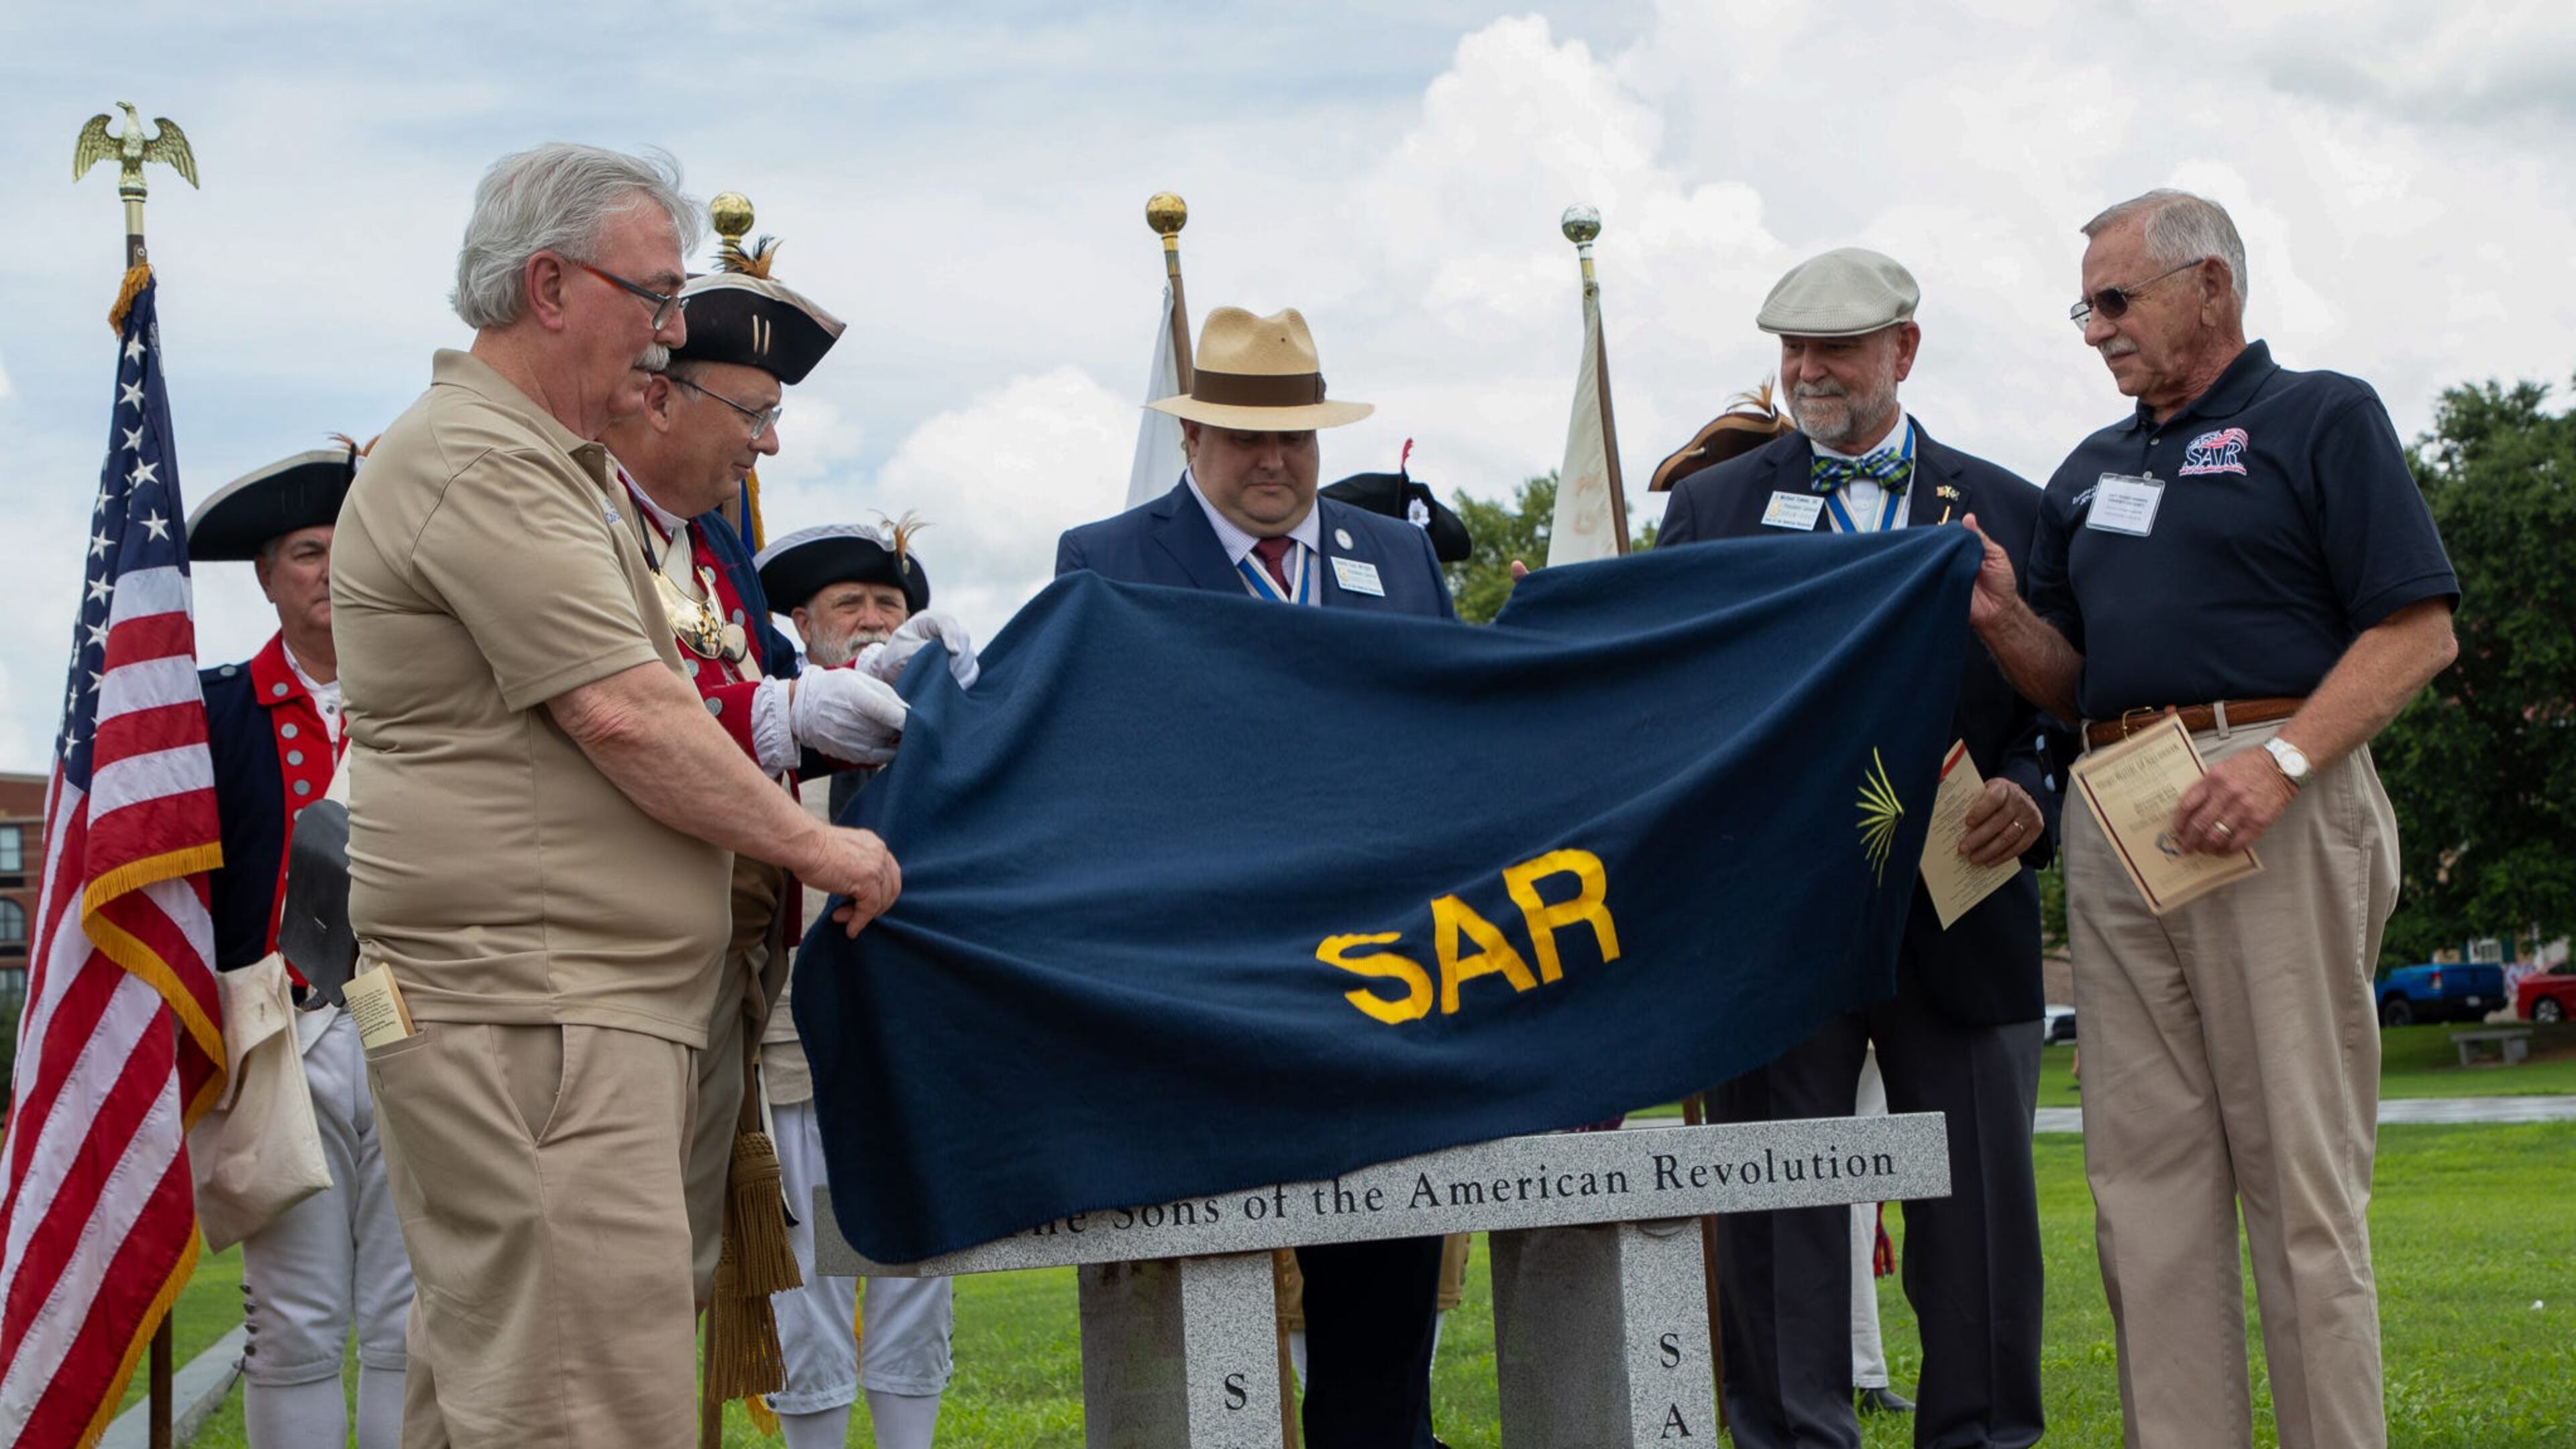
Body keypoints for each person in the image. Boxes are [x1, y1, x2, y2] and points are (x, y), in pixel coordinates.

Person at [329, 142, 901, 1448]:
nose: (663, 335)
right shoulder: (488, 463)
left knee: (509, 1393)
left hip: (567, 1010)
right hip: (539, 1017)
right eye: (650, 296)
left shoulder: (541, 467)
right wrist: (824, 848)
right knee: (585, 1408)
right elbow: (626, 709)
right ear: (547, 287)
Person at [1967, 189, 2458, 1449]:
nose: (2096, 331)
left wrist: (2283, 761)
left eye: (2117, 301)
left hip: (2271, 791)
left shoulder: (2321, 415)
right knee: (2146, 1193)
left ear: (2212, 289)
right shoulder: (2090, 470)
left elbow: (2417, 630)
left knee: (2298, 1180)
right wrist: (2006, 616)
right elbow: (2071, 682)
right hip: (2119, 801)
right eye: (2086, 305)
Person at [1658, 248, 2053, 1449]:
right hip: (1772, 920)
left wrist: (2034, 787)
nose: (1809, 371)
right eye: (1793, 349)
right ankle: (1791, 1436)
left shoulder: (2010, 503)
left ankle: (1980, 1438)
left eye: (1837, 348)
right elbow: (1669, 700)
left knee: (1979, 1219)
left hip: (1963, 902)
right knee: (1778, 1215)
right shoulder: (1713, 509)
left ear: (1905, 352)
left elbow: (2059, 700)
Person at [1056, 305, 1454, 1449]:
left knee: (1380, 1288)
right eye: (1244, 437)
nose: (1274, 461)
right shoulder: (1109, 558)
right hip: (1210, 976)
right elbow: (1105, 770)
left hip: (1384, 982)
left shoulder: (1396, 554)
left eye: (1296, 437)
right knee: (1211, 1279)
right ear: (1192, 444)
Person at [590, 220, 916, 1328]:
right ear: (659, 398)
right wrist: (784, 712)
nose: (769, 448)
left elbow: (770, 708)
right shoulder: (582, 520)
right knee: (618, 1287)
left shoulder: (711, 544)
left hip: (727, 949)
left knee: (676, 1277)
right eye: (756, 415)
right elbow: (626, 713)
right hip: (621, 951)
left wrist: (889, 693)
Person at [188, 444, 413, 1449]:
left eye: (348, 546)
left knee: (418, 1320)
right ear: (268, 577)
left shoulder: (429, 704)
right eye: (307, 550)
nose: (330, 569)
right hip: (279, 1039)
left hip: (417, 1025)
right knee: (294, 1325)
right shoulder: (212, 710)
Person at [752, 522, 963, 1449]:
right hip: (797, 1046)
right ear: (804, 623)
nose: (874, 619)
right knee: (807, 1283)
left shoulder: (947, 733)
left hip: (913, 1049)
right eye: (851, 605)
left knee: (916, 1268)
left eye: (890, 604)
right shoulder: (766, 730)